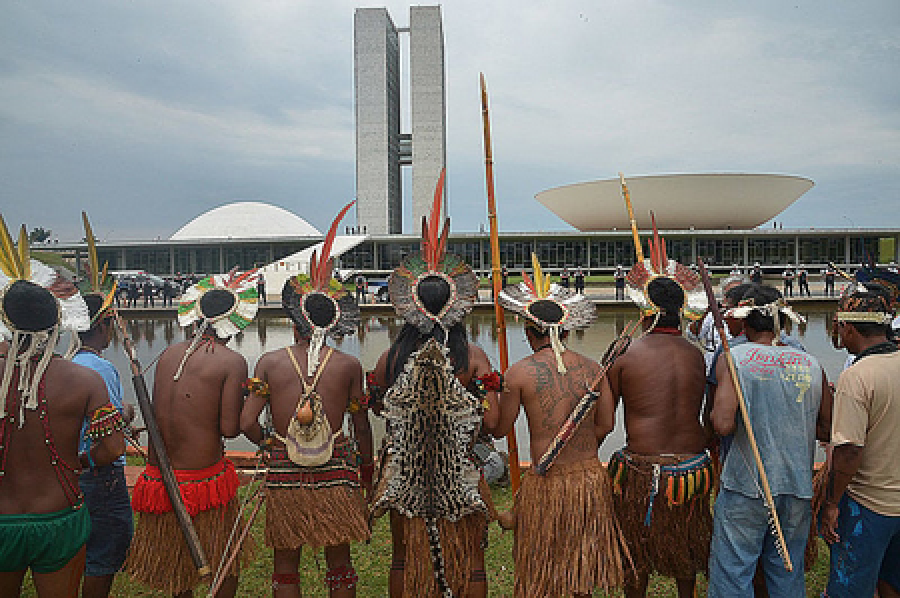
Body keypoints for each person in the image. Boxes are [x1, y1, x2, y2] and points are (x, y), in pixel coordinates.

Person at [369, 173, 500, 598]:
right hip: (458, 468)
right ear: (456, 304)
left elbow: (379, 410)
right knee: (472, 558)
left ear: (410, 305)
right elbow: (494, 424)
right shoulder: (473, 358)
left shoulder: (390, 358)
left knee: (402, 556)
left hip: (404, 469)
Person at [241, 202, 373, 596]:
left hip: (285, 469)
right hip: (336, 468)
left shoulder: (269, 362)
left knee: (285, 566)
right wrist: (366, 471)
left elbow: (246, 423)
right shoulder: (349, 365)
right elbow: (361, 426)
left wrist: (270, 443)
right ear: (333, 322)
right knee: (340, 562)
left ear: (294, 319)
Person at [494, 255, 629, 597]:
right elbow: (607, 424)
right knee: (580, 568)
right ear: (566, 331)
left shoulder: (518, 373)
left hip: (547, 481)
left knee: (545, 571)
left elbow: (499, 429)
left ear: (528, 332)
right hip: (589, 479)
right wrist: (583, 450)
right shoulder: (593, 369)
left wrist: (487, 395)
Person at [0, 234, 126, 598]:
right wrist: (81, 461)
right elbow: (113, 448)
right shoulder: (84, 380)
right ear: (59, 320)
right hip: (61, 514)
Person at [125, 270, 259, 598]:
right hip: (203, 479)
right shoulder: (231, 362)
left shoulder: (168, 354)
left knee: (179, 568)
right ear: (235, 322)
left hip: (161, 476)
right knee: (224, 562)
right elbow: (229, 429)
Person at [707, 284, 833, 597]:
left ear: (746, 322)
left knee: (733, 573)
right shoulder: (811, 364)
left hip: (745, 486)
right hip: (796, 486)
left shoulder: (734, 359)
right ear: (783, 323)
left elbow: (722, 424)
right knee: (786, 572)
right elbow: (827, 429)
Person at [606, 243, 712, 598]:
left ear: (644, 310)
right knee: (686, 554)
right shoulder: (697, 356)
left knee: (634, 556)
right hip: (692, 469)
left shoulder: (626, 356)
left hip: (642, 469)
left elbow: (604, 420)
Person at [821, 289, 899, 598]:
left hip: (869, 504)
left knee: (851, 589)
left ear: (849, 328)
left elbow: (850, 450)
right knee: (892, 583)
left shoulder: (857, 376)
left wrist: (831, 503)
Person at [74, 232, 135, 598]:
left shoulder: (69, 364)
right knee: (105, 553)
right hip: (101, 474)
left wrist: (121, 418)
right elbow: (108, 441)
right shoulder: (101, 369)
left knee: (82, 551)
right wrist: (124, 416)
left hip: (76, 474)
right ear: (102, 326)